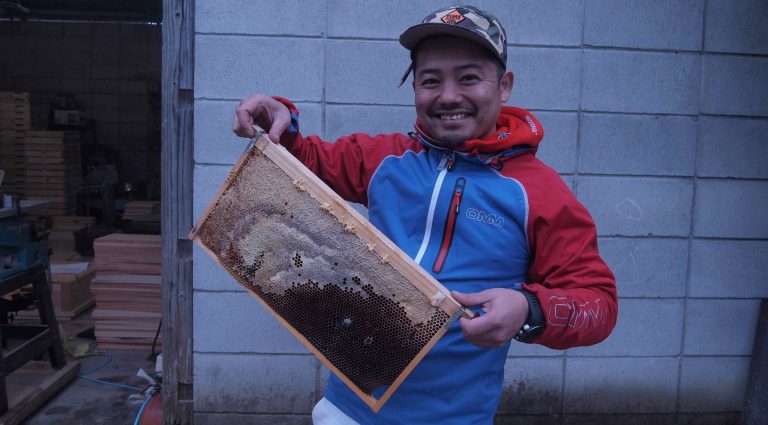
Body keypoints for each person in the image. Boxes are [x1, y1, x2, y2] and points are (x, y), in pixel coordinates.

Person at [232, 5, 617, 425]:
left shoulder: (541, 194)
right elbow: (303, 159)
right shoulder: (386, 158)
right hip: (343, 410)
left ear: (504, 86)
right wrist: (280, 123)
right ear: (414, 87)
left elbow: (598, 303)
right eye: (431, 80)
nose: (449, 95)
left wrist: (529, 309)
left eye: (469, 77)